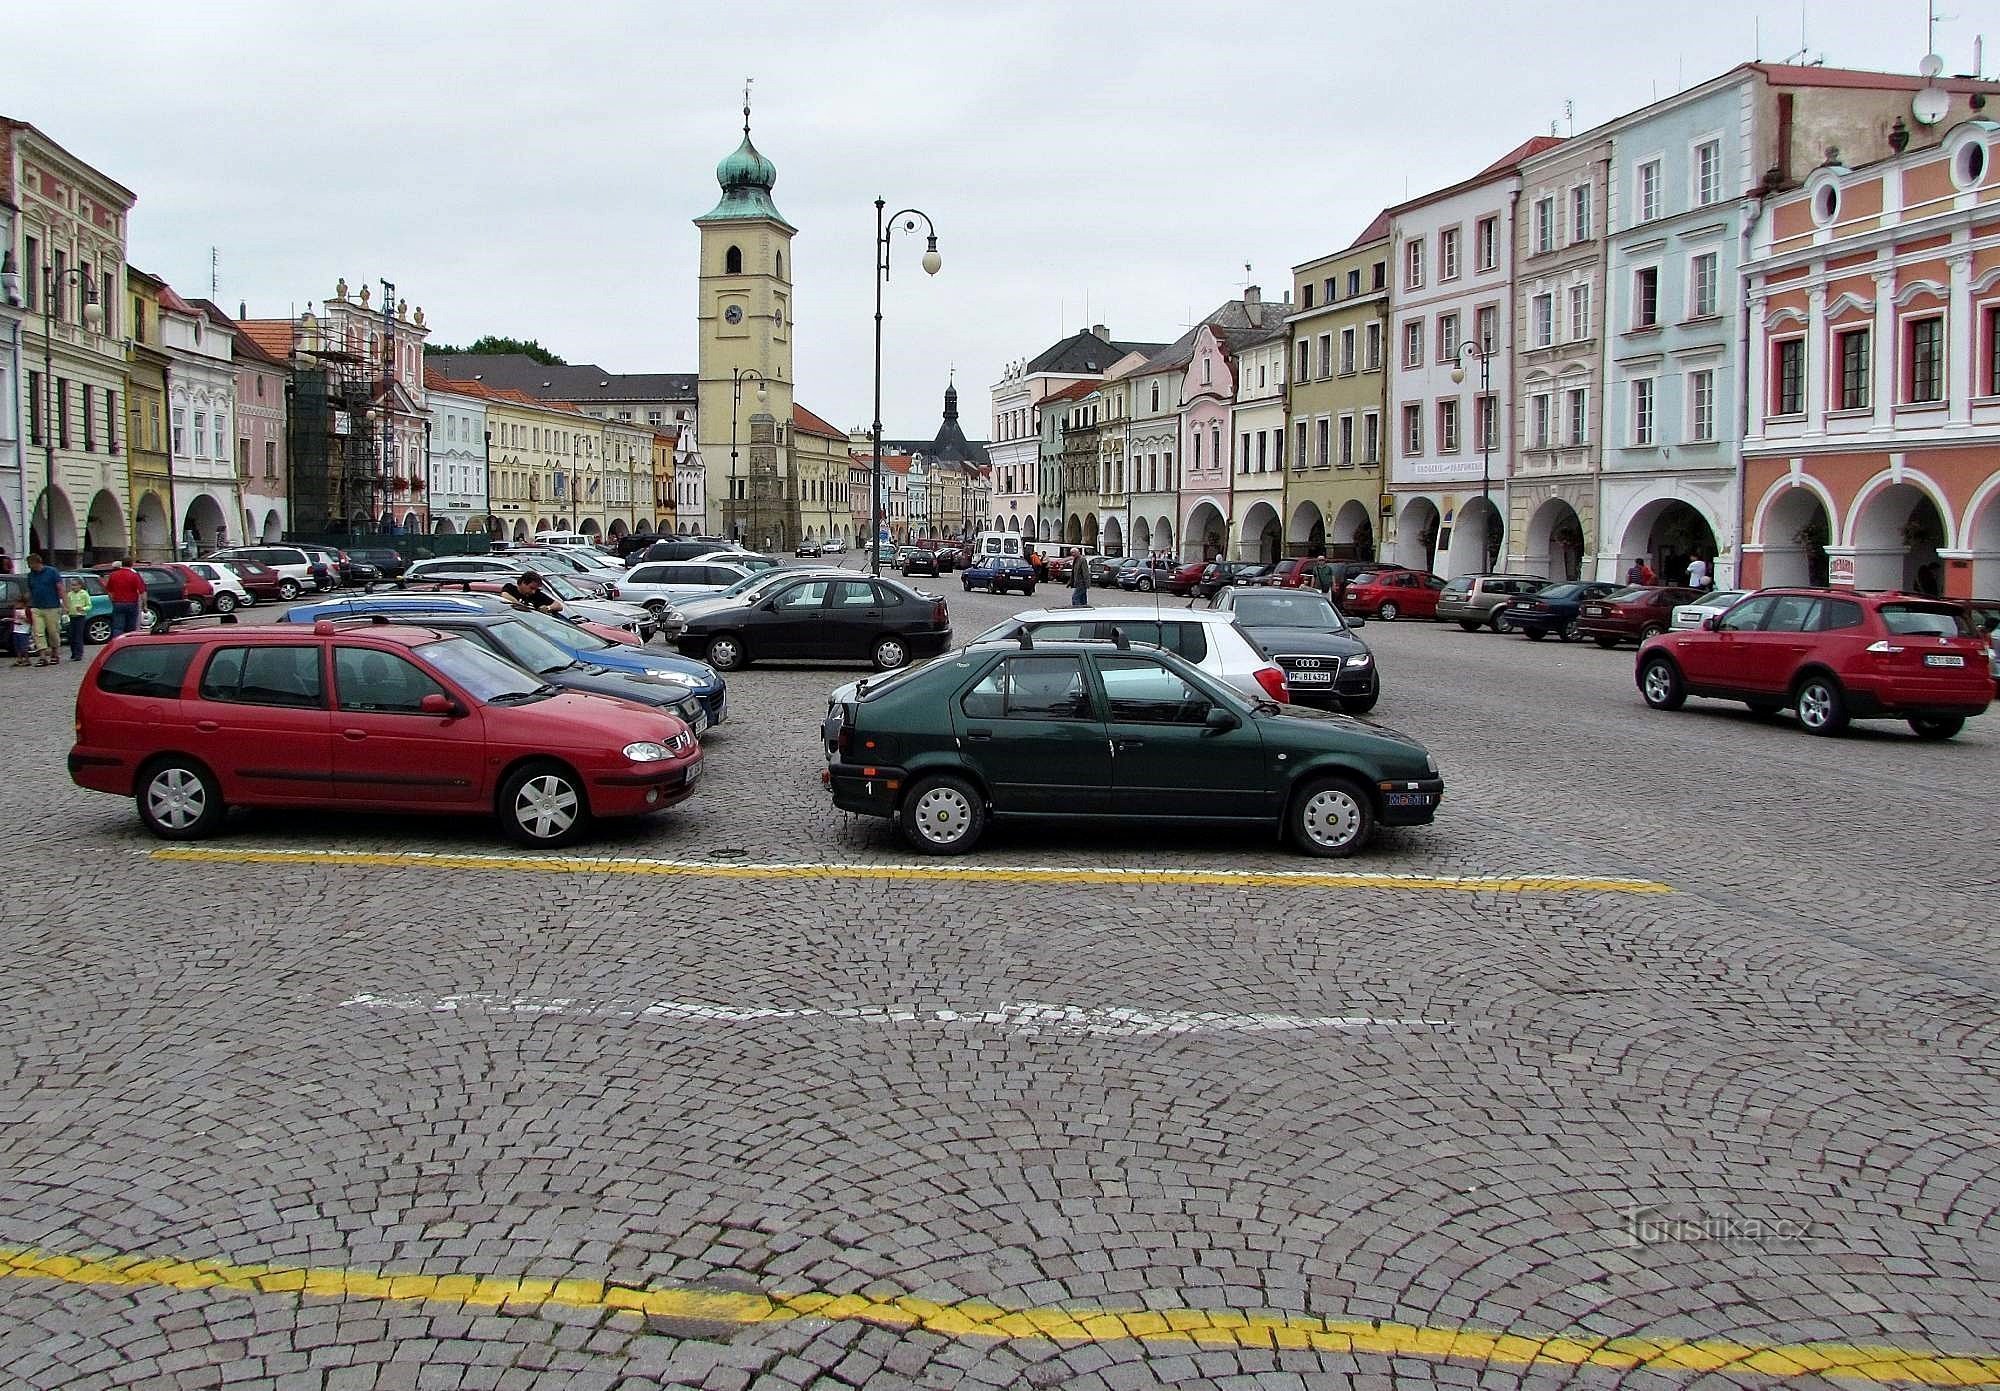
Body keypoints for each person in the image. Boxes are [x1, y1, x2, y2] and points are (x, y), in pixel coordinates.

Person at [24, 554, 65, 665]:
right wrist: (26, 602)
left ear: (37, 562)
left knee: (53, 632)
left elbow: (60, 587)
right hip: (36, 607)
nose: (29, 566)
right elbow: (30, 590)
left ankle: (55, 653)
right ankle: (42, 657)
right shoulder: (31, 575)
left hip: (52, 606)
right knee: (38, 632)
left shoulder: (52, 572)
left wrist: (64, 604)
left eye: (30, 564)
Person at [104, 558, 147, 637]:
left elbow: (109, 591)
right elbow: (142, 591)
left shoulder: (113, 575)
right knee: (131, 627)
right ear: (131, 564)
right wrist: (145, 605)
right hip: (132, 603)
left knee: (117, 627)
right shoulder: (134, 575)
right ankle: (129, 642)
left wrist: (113, 601)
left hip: (118, 603)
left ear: (122, 564)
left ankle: (118, 642)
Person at [63, 578, 92, 662]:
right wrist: (66, 609)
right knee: (71, 636)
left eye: (75, 585)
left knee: (78, 636)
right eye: (72, 585)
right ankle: (73, 653)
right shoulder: (69, 594)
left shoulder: (84, 594)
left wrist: (83, 608)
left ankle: (79, 654)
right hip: (71, 616)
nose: (73, 587)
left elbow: (89, 606)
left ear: (80, 585)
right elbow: (67, 604)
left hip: (80, 617)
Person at [10, 597, 31, 666]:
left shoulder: (27, 610)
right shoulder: (15, 610)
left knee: (24, 646)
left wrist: (24, 618)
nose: (15, 604)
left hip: (24, 631)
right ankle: (19, 659)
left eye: (17, 603)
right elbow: (15, 619)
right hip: (16, 630)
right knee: (17, 646)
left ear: (23, 603)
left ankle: (27, 660)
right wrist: (9, 620)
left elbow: (30, 621)